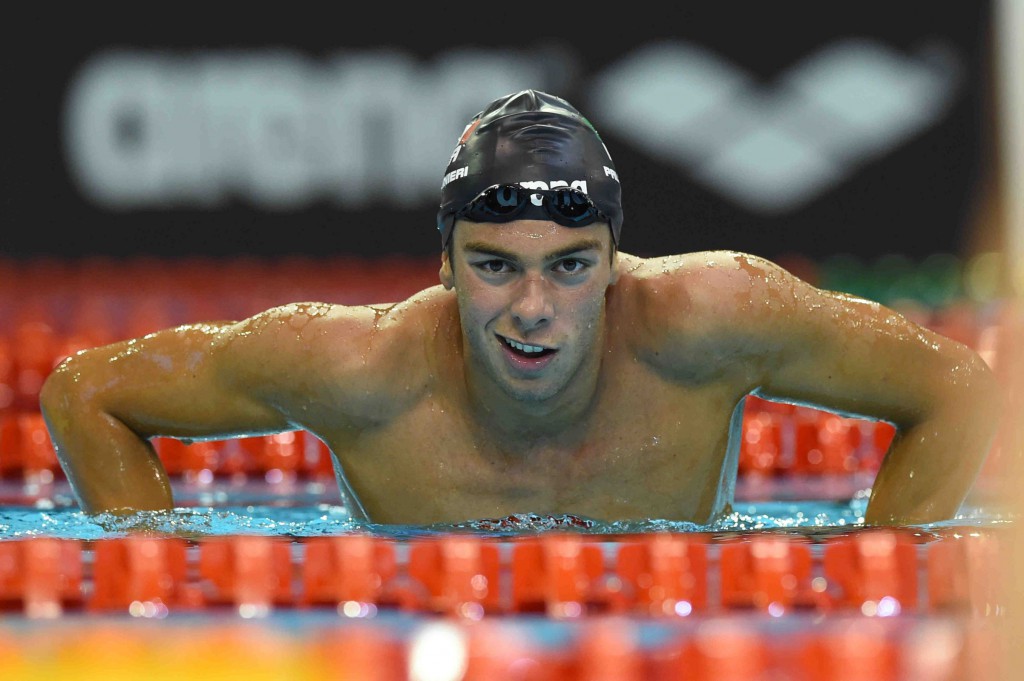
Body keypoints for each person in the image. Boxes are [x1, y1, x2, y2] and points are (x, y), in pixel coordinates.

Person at [39, 89, 1000, 527]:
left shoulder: (714, 317)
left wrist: (885, 563)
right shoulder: (355, 368)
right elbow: (86, 392)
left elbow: (959, 387)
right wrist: (149, 568)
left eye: (572, 267)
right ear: (445, 266)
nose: (533, 308)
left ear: (618, 261)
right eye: (496, 266)